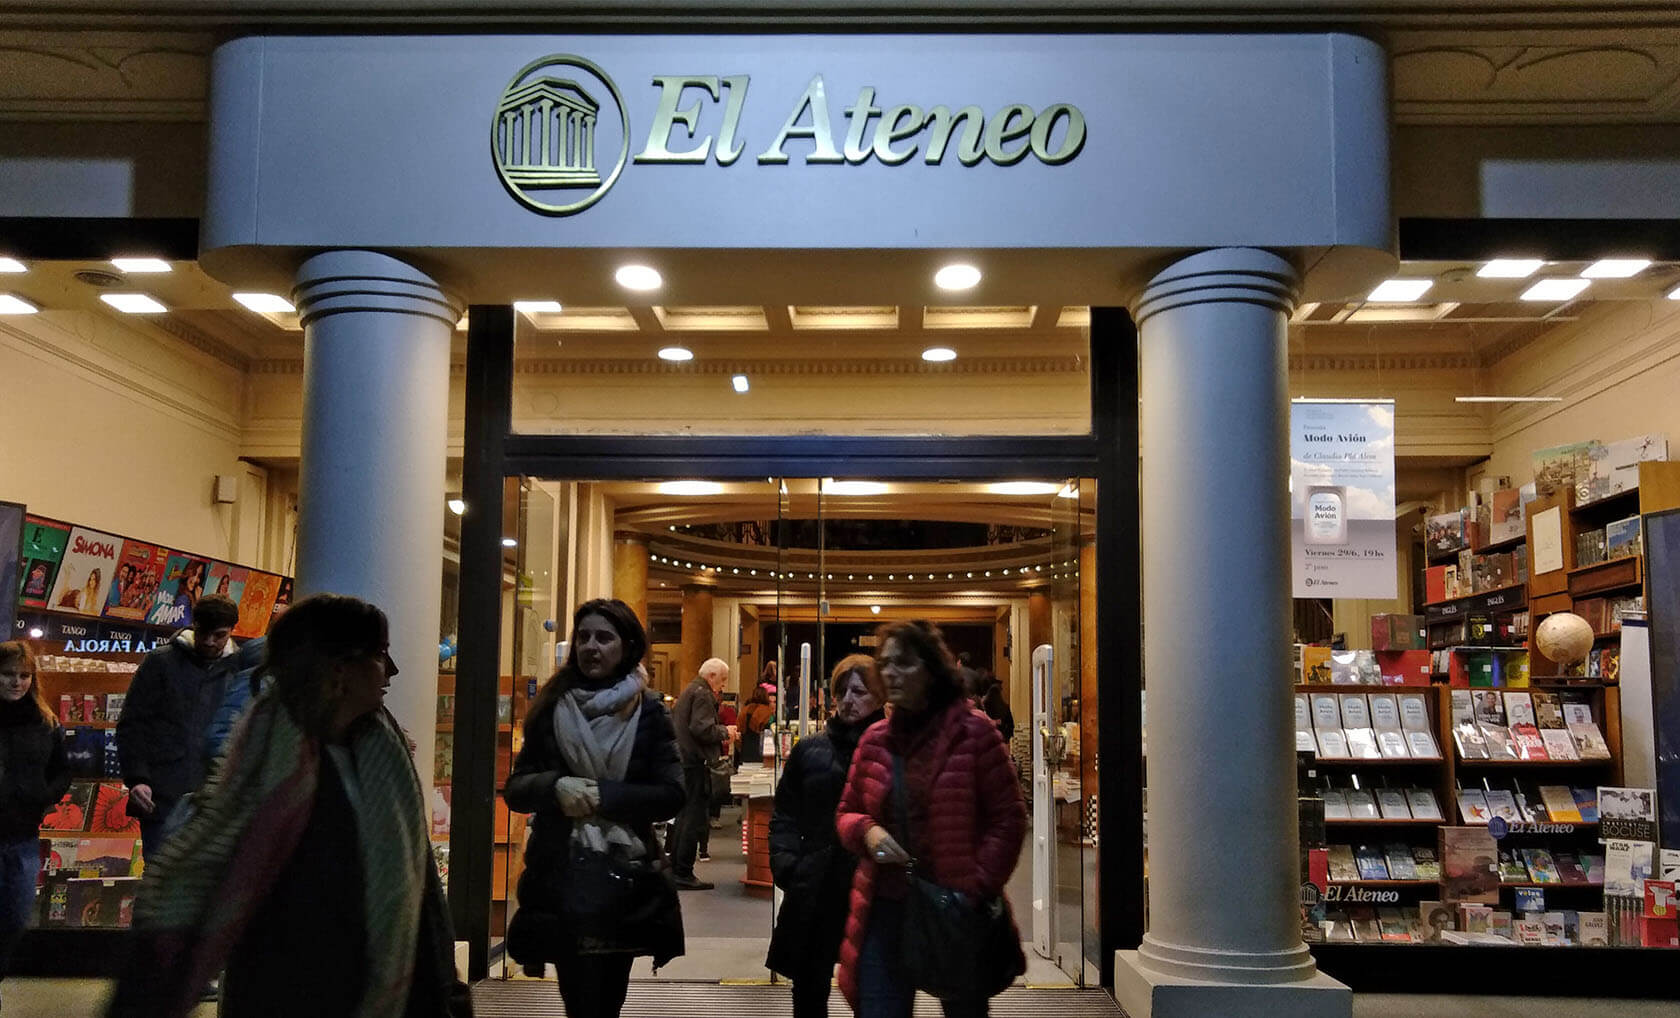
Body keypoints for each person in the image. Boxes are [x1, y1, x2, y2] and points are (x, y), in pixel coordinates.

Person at [107, 594, 468, 1018]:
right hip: (287, 990)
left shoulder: (381, 747)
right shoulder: (269, 758)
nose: (390, 671)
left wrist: (445, 991)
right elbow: (206, 874)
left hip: (377, 986)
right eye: (379, 654)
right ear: (338, 670)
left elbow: (418, 888)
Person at [503, 598, 685, 1018]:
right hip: (563, 878)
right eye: (583, 637)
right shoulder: (551, 707)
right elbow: (516, 788)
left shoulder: (650, 711)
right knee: (581, 1000)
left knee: (607, 1000)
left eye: (604, 637)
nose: (591, 647)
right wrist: (557, 787)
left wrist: (605, 796)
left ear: (627, 646)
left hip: (624, 879)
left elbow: (672, 794)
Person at [835, 620, 1027, 1018]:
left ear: (931, 669)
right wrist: (867, 832)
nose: (890, 672)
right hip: (884, 906)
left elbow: (1008, 817)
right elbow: (847, 811)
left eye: (904, 663)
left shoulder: (974, 734)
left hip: (953, 906)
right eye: (884, 664)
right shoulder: (875, 739)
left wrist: (977, 886)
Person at [767, 654, 887, 1018]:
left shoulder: (892, 750)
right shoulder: (810, 750)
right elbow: (785, 813)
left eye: (859, 691)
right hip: (815, 883)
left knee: (873, 990)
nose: (848, 700)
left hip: (872, 888)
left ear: (880, 697)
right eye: (842, 691)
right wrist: (787, 866)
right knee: (808, 990)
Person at [116, 592, 241, 860]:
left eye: (218, 635)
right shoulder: (160, 663)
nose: (208, 641)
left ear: (232, 630)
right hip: (164, 796)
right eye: (202, 632)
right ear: (193, 625)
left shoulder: (241, 672)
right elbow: (133, 723)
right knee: (161, 885)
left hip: (218, 799)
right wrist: (138, 778)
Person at [0, 642, 70, 1008]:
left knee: (14, 919)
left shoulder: (46, 722)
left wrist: (44, 794)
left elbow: (63, 771)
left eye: (24, 675)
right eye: (9, 674)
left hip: (23, 836)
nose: (17, 682)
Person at [669, 657, 734, 889]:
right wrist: (725, 731)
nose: (724, 685)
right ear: (712, 676)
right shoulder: (703, 694)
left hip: (683, 760)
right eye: (723, 679)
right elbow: (702, 728)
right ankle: (683, 872)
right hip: (695, 762)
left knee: (684, 816)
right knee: (693, 817)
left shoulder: (689, 690)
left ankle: (676, 869)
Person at [737, 683, 774, 765]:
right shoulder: (767, 712)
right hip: (762, 751)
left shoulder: (744, 710)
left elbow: (738, 730)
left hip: (745, 750)